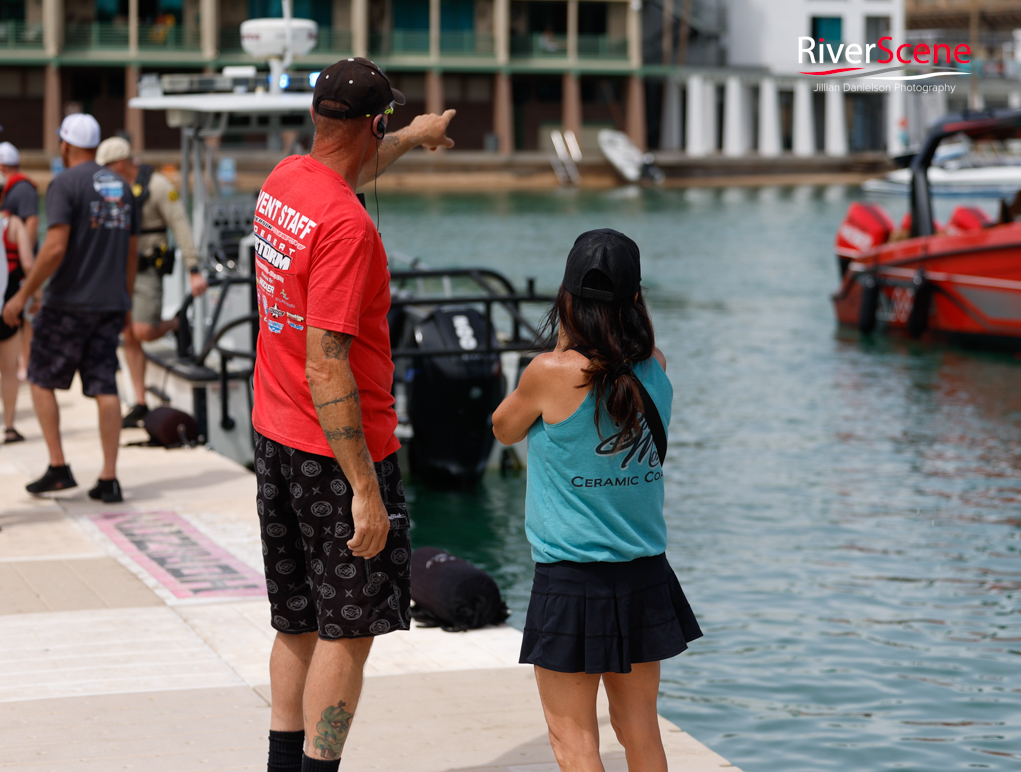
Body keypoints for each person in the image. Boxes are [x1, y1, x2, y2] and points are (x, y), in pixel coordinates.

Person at [251, 57, 456, 772]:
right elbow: (327, 360)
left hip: (274, 433)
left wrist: (417, 136)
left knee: (297, 620)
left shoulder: (285, 181)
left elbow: (355, 161)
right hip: (334, 452)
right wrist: (364, 489)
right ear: (374, 121)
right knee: (347, 632)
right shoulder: (347, 228)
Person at [492, 229, 703, 772]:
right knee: (641, 734)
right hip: (644, 574)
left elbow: (503, 429)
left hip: (570, 579)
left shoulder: (549, 373)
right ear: (636, 299)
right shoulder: (655, 365)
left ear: (565, 299)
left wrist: (562, 345)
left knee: (574, 742)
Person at [1, 114, 138, 503]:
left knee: (42, 380)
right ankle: (109, 478)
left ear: (64, 145)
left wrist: (23, 294)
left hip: (66, 304)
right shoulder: (122, 188)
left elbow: (55, 246)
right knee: (105, 385)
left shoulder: (64, 183)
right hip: (110, 302)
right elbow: (130, 253)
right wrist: (124, 298)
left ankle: (59, 467)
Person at [94, 136, 208, 427]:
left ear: (119, 163)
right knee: (129, 334)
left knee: (142, 330)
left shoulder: (158, 187)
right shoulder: (112, 189)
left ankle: (176, 324)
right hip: (120, 269)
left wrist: (193, 267)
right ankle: (140, 401)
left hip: (147, 268)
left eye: (107, 167)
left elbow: (179, 223)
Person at [0, 141, 40, 382]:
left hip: (18, 269)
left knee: (21, 317)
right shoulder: (15, 188)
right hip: (13, 267)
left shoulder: (21, 189)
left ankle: (27, 362)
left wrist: (29, 260)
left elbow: (33, 222)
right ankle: (25, 362)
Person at [1, 212, 34, 442]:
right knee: (9, 369)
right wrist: (36, 293)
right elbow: (28, 263)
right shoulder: (13, 224)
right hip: (8, 302)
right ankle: (10, 426)